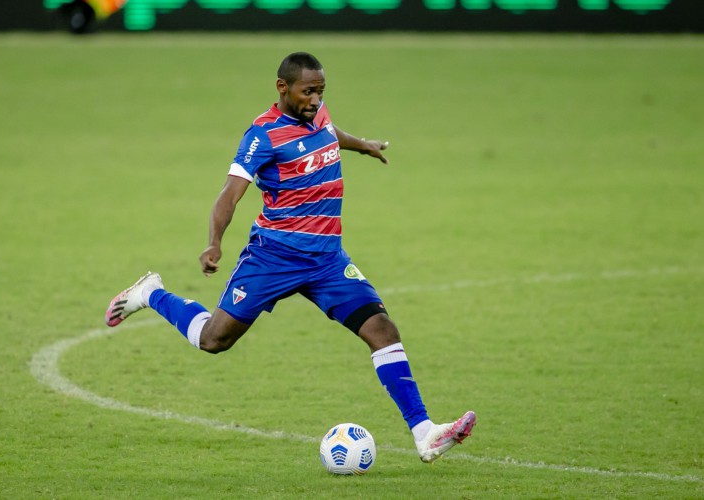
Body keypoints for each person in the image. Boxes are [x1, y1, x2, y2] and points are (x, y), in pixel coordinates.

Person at [105, 52, 475, 463]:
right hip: (274, 257)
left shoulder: (318, 115)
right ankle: (151, 293)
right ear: (283, 88)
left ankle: (425, 433)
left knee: (382, 330)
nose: (316, 100)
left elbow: (330, 133)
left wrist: (363, 146)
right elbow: (230, 194)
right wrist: (214, 242)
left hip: (327, 259)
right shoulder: (262, 136)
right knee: (214, 340)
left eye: (321, 92)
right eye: (308, 91)